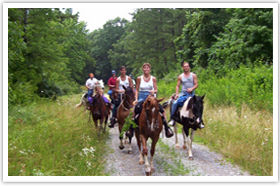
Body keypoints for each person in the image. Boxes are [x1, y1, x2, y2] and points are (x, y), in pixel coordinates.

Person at [134, 63, 173, 138]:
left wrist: (153, 92)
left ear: (150, 69)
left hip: (151, 97)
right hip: (142, 96)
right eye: (145, 68)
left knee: (162, 110)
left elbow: (156, 90)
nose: (146, 69)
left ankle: (166, 127)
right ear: (143, 69)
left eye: (147, 68)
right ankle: (132, 127)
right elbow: (137, 90)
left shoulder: (153, 78)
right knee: (135, 109)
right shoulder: (139, 78)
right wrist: (136, 99)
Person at [168, 62, 198, 126]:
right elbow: (177, 86)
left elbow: (196, 84)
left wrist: (192, 88)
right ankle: (172, 118)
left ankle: (199, 120)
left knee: (199, 104)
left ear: (189, 67)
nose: (186, 67)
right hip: (183, 93)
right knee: (175, 103)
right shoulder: (180, 76)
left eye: (187, 66)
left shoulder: (193, 75)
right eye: (184, 66)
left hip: (191, 93)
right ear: (183, 67)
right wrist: (177, 94)